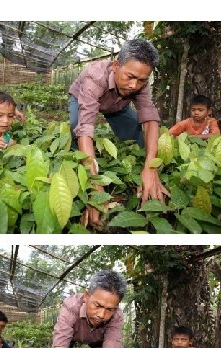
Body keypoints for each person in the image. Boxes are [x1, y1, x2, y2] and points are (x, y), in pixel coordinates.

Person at [69, 38, 169, 227]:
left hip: (117, 105)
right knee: (76, 128)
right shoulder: (94, 78)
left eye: (141, 80)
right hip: (82, 98)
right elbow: (85, 128)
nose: (134, 85)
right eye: (129, 76)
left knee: (138, 134)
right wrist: (95, 185)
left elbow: (149, 119)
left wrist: (151, 166)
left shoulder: (139, 84)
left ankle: (143, 177)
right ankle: (83, 171)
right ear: (116, 65)